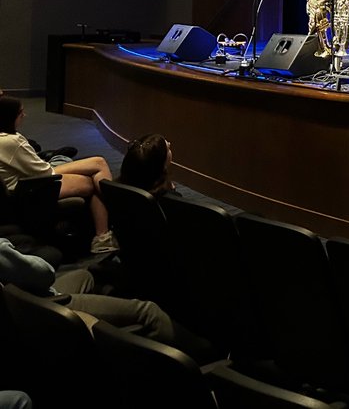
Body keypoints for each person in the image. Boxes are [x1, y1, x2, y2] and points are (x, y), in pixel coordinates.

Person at [0, 236, 211, 359]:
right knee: (148, 312)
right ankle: (205, 353)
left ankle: (110, 310)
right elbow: (45, 274)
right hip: (42, 304)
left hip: (24, 297)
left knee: (84, 276)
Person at [0, 97, 118, 254]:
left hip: (17, 188)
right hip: (29, 189)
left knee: (95, 167)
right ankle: (108, 231)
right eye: (21, 112)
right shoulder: (11, 142)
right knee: (96, 170)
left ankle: (105, 232)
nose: (25, 115)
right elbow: (45, 171)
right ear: (10, 116)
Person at [117, 134, 176, 198]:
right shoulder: (172, 198)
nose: (170, 143)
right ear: (161, 165)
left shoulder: (113, 189)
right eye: (168, 148)